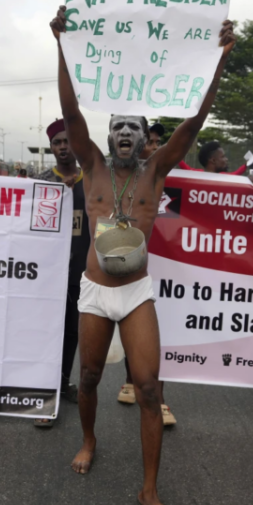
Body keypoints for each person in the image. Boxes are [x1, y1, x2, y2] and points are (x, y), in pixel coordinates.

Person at [51, 4, 235, 505]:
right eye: (117, 127)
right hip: (93, 289)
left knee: (150, 388)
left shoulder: (158, 169)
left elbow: (196, 121)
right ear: (107, 137)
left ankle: (149, 489)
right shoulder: (92, 167)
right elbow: (70, 110)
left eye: (134, 126)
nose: (125, 132)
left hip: (135, 294)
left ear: (146, 136)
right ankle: (89, 439)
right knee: (87, 377)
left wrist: (220, 58)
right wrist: (61, 45)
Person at [116, 125, 177, 427]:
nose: (154, 147)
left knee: (159, 334)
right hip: (133, 269)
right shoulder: (120, 180)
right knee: (131, 329)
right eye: (149, 142)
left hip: (167, 267)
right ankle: (130, 378)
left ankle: (160, 398)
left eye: (158, 142)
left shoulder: (174, 176)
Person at [34, 119, 90, 427]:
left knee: (72, 331)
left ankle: (64, 382)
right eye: (58, 142)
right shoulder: (41, 179)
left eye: (68, 141)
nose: (64, 147)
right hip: (47, 272)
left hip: (81, 272)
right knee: (48, 333)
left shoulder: (93, 178)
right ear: (52, 148)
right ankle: (44, 394)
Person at [178, 141, 247, 175]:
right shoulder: (197, 175)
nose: (226, 159)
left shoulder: (224, 177)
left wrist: (246, 165)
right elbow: (179, 161)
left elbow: (235, 174)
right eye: (223, 156)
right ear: (213, 160)